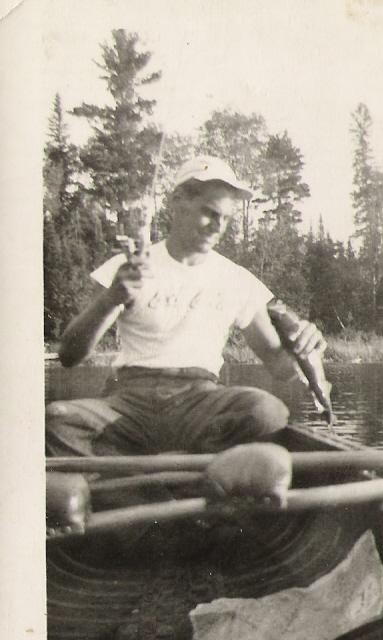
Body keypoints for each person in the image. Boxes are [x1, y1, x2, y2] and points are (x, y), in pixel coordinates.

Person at [46, 156, 327, 458]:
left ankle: (148, 479)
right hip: (128, 403)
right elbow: (68, 356)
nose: (218, 227)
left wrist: (308, 347)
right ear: (179, 201)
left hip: (201, 400)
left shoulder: (237, 279)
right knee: (57, 420)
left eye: (226, 218)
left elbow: (279, 367)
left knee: (268, 413)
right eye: (210, 213)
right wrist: (109, 299)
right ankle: (184, 475)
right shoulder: (125, 268)